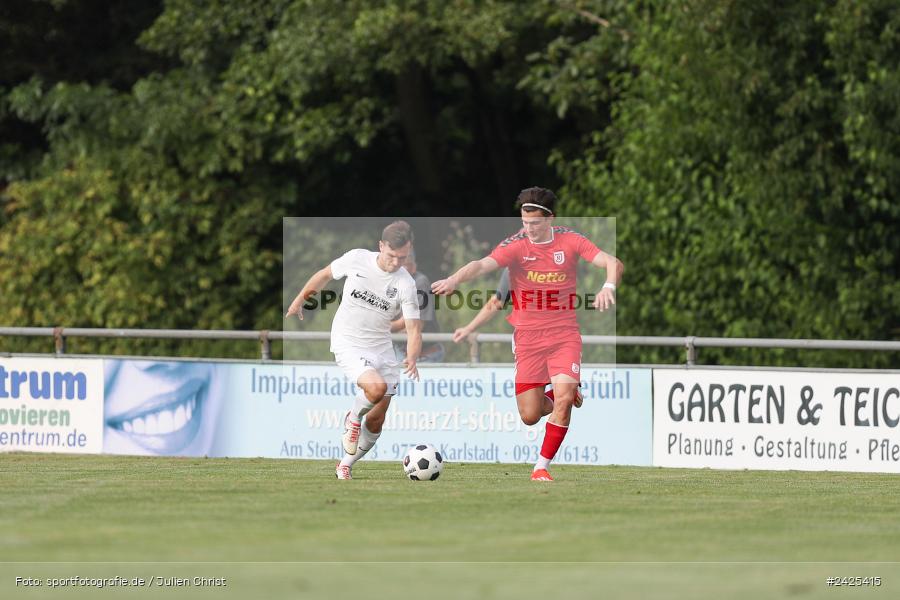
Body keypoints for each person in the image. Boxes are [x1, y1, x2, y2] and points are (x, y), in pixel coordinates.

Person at [433, 187, 622, 481]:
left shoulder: (570, 241)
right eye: (524, 222)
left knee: (564, 398)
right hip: (528, 339)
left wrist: (608, 286)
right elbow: (481, 264)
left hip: (564, 335)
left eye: (535, 223)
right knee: (530, 415)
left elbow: (612, 262)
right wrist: (453, 279)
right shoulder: (517, 246)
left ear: (550, 219)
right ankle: (560, 393)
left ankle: (541, 467)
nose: (529, 229)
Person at [286, 221, 422, 480]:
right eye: (391, 255)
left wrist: (412, 357)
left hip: (382, 349)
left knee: (376, 421)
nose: (396, 262)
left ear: (409, 250)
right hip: (348, 341)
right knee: (375, 388)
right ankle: (352, 417)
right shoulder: (357, 258)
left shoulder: (406, 283)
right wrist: (300, 300)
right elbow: (324, 274)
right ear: (380, 246)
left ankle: (345, 464)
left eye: (402, 257)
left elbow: (414, 329)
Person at [451, 267, 583, 408]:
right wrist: (469, 328)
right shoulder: (512, 267)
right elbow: (497, 302)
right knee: (531, 412)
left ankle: (567, 391)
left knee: (563, 395)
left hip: (558, 340)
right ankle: (569, 392)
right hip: (528, 344)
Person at [392, 247, 445, 362]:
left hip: (424, 355)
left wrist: (383, 328)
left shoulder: (420, 283)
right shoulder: (390, 282)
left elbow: (416, 326)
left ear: (412, 266)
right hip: (401, 352)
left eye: (402, 264)